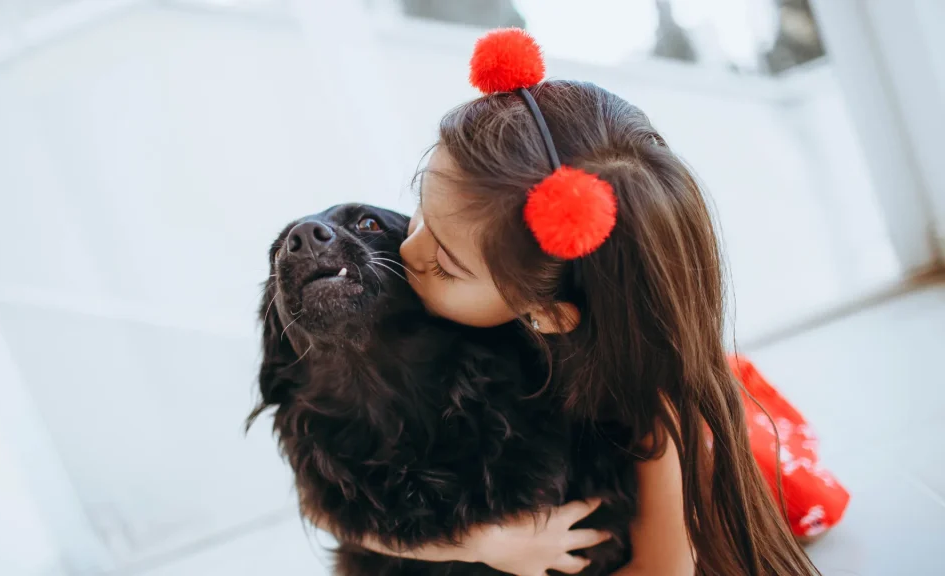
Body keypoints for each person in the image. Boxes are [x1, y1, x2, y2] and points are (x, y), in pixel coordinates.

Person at [309, 29, 848, 575]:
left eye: (447, 264)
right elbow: (322, 506)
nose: (408, 248)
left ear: (543, 313)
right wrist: (478, 543)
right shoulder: (478, 287)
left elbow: (663, 571)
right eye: (419, 207)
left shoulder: (651, 409)